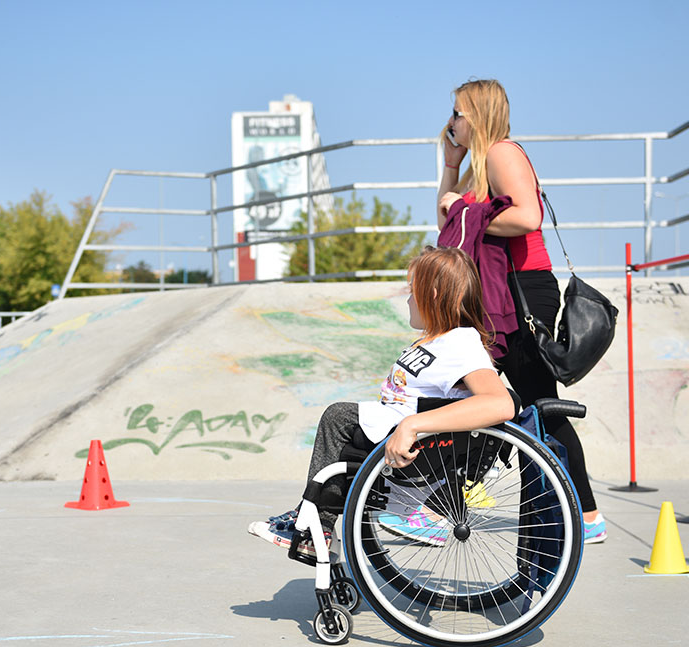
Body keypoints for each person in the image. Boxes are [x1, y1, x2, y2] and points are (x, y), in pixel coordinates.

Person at [248, 247, 516, 555]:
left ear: (433, 294)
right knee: (341, 421)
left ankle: (315, 527)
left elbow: (500, 403)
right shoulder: (440, 340)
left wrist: (412, 425)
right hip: (395, 430)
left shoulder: (461, 342)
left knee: (339, 418)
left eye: (413, 290)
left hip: (421, 446)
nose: (408, 299)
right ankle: (313, 523)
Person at [437, 78, 606, 543]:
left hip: (521, 289)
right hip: (493, 289)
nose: (450, 123)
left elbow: (527, 217)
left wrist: (470, 211)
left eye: (457, 114)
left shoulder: (502, 153)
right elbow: (447, 223)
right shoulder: (476, 166)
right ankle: (448, 498)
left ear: (477, 115)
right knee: (479, 392)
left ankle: (587, 516)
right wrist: (450, 170)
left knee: (533, 401)